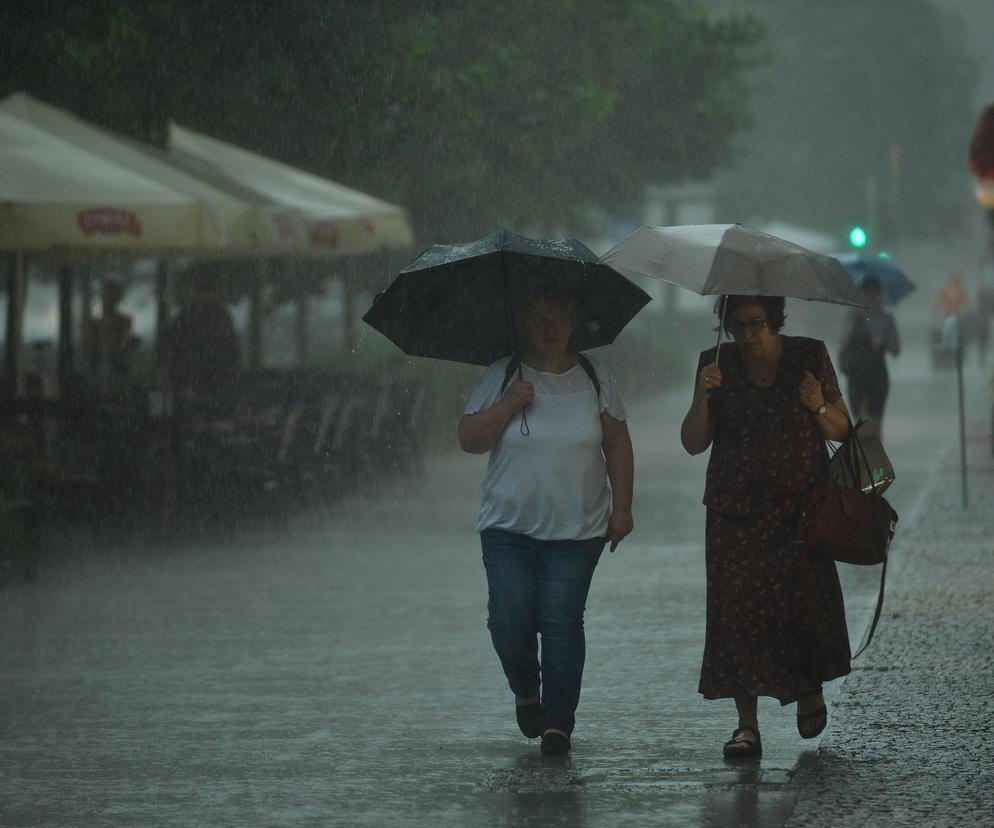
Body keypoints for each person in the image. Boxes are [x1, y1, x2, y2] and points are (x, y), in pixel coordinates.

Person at [457, 287, 634, 756]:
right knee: (508, 620)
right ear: (524, 322)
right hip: (507, 526)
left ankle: (558, 724)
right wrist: (509, 403)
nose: (551, 327)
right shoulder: (503, 373)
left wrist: (622, 507)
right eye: (541, 317)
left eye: (560, 316)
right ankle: (525, 689)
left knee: (561, 622)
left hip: (578, 526)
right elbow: (470, 439)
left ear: (574, 320)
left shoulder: (596, 376)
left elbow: (616, 443)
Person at [680, 294, 852, 759]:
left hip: (801, 510)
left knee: (803, 600)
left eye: (757, 324)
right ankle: (746, 724)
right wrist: (701, 397)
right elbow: (693, 442)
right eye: (738, 326)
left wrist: (817, 405)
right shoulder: (715, 364)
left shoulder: (809, 355)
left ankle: (808, 684)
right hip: (735, 512)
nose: (749, 335)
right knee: (737, 613)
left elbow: (842, 428)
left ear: (775, 320)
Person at [161, 266, 241, 399]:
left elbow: (171, 349)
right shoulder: (220, 316)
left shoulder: (192, 316)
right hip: (211, 386)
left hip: (201, 385)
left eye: (190, 288)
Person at [838, 276, 900, 436]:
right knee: (859, 423)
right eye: (867, 292)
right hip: (857, 374)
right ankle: (863, 458)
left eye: (874, 292)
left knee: (876, 422)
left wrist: (883, 342)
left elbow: (896, 350)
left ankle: (877, 459)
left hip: (877, 374)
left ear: (879, 293)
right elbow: (842, 344)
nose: (871, 296)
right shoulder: (852, 315)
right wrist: (856, 318)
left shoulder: (886, 318)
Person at [86, 279, 138, 391]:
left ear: (119, 299)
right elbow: (90, 349)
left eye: (113, 296)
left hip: (118, 370)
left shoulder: (125, 321)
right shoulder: (94, 324)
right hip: (97, 373)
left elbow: (121, 343)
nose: (110, 300)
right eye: (108, 295)